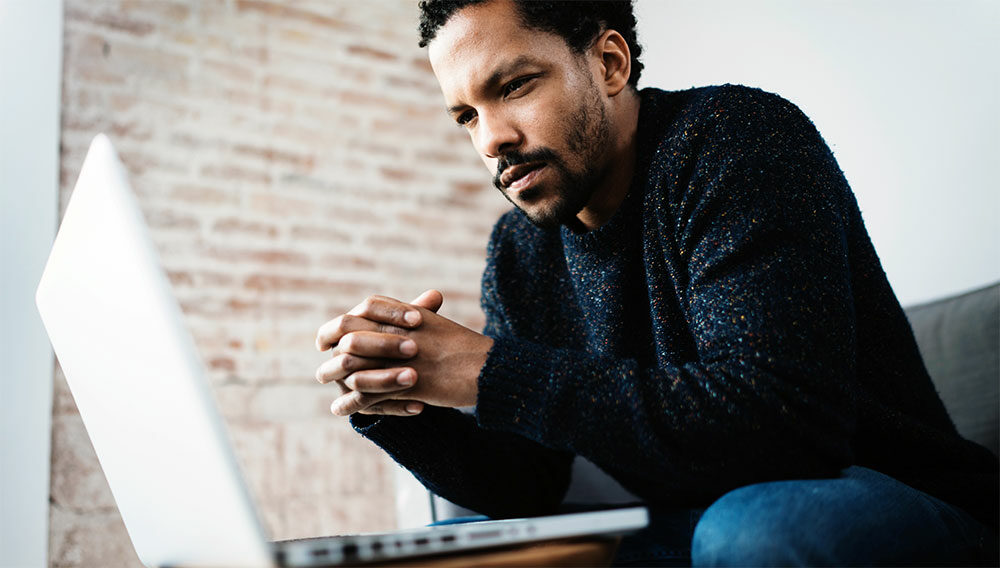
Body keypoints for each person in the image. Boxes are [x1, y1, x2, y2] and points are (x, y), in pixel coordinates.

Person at [313, 0, 999, 564]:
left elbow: (786, 430)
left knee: (755, 530)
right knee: (445, 553)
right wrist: (399, 401)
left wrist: (490, 371)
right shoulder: (521, 249)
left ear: (609, 64)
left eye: (514, 86)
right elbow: (530, 485)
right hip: (689, 521)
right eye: (465, 115)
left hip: (895, 502)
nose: (491, 138)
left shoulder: (736, 140)